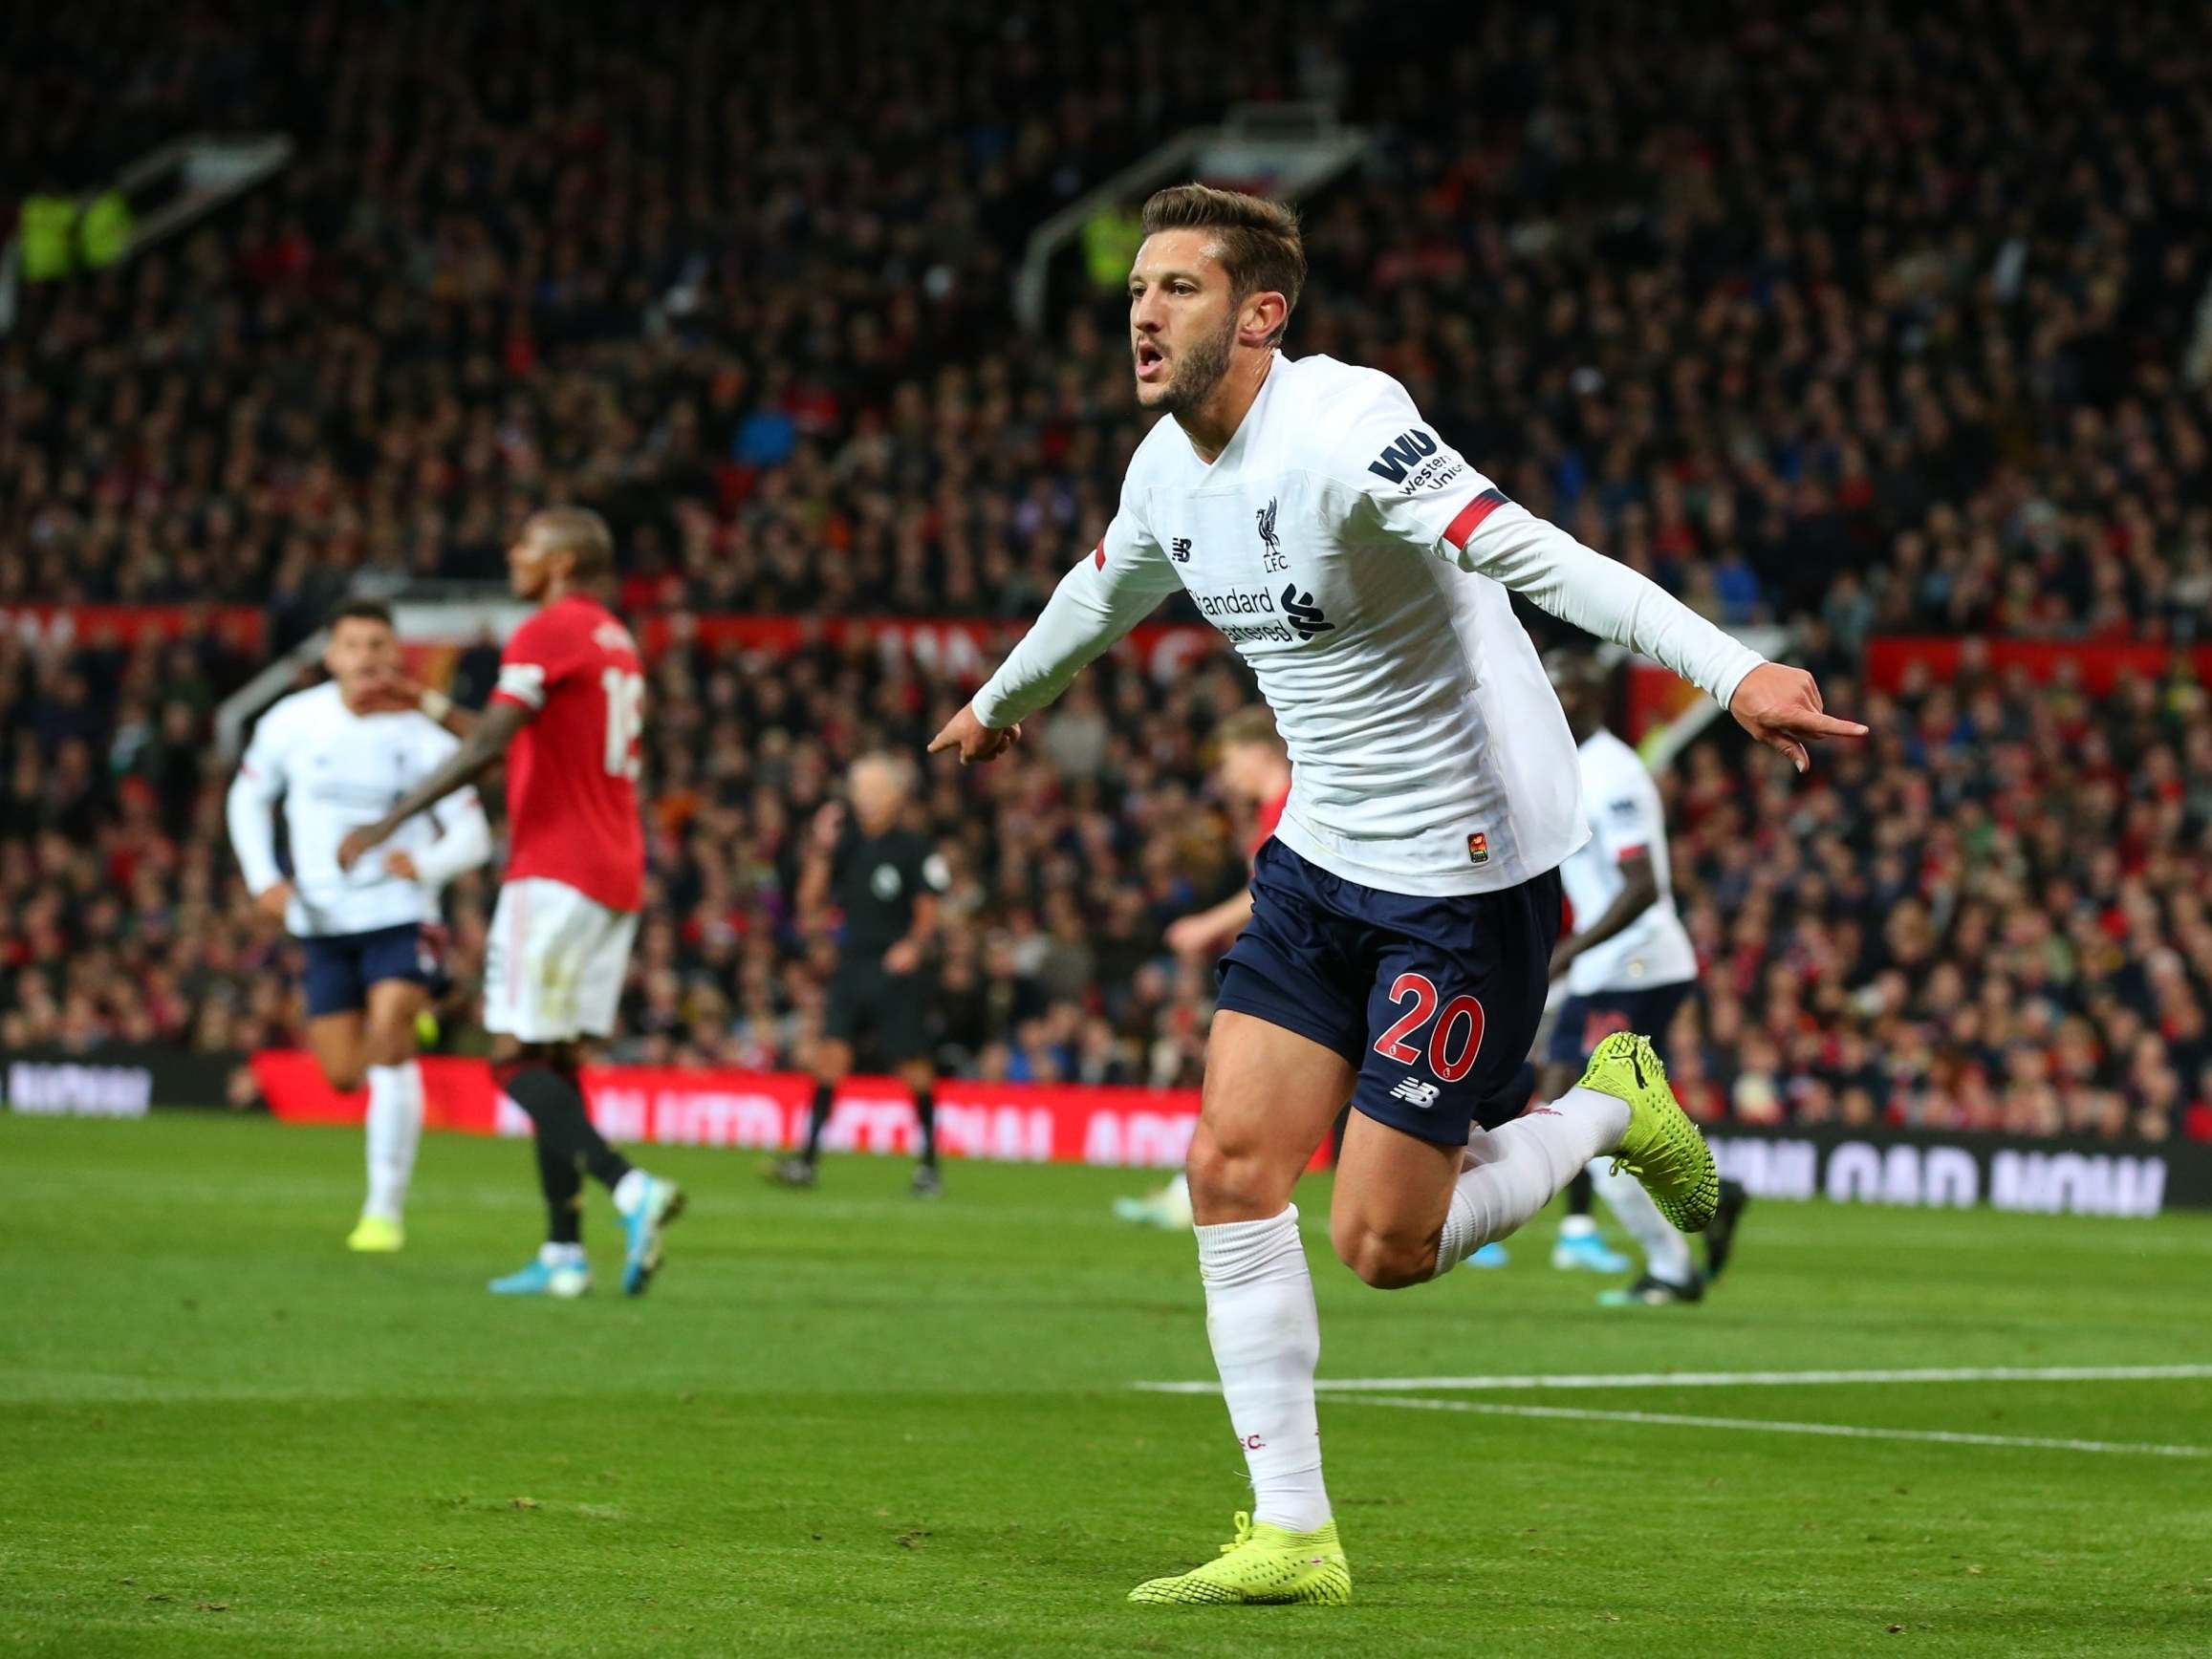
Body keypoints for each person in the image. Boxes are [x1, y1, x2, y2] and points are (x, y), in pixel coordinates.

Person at [929, 183, 1864, 1606]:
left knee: (1383, 1244)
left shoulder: (1349, 423)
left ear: (1259, 315)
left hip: (1467, 874)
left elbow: (1538, 552)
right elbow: (1102, 588)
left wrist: (1727, 670)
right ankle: (1291, 1533)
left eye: (1176, 288)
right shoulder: (1163, 472)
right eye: (1134, 290)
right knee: (1226, 1172)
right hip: (1318, 862)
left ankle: (1614, 1103)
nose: (1139, 311)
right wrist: (1000, 702)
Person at [337, 508, 683, 1299]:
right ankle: (564, 1255)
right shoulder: (610, 637)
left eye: (525, 545)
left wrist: (385, 824)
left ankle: (632, 1190)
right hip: (613, 867)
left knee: (514, 1060)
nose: (511, 554)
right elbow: (525, 739)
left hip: (553, 869)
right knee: (557, 1059)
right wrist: (421, 704)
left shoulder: (544, 629)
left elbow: (491, 744)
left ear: (560, 560)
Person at [227, 599, 491, 1253]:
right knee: (344, 1074)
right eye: (354, 645)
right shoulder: (293, 721)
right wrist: (265, 880)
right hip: (322, 919)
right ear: (332, 655)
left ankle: (383, 1213)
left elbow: (474, 834)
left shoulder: (423, 737)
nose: (368, 657)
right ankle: (407, 1019)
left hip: (399, 915)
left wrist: (426, 862)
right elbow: (248, 796)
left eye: (379, 644)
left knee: (392, 1028)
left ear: (396, 654)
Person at [1542, 651, 1748, 1304]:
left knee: (1595, 1125)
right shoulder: (1570, 765)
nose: (1550, 705)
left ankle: (1674, 1262)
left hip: (1635, 964)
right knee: (1579, 1109)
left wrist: (1570, 949)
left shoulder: (1613, 775)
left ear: (1590, 699)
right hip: (1611, 968)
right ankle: (1703, 1211)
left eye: (1562, 693)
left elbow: (1642, 887)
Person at [1117, 706, 1290, 1229]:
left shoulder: (1289, 808)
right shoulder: (1271, 812)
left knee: (1235, 1076)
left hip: (1301, 974)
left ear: (1261, 751)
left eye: (1232, 758)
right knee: (1235, 1080)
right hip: (1287, 968)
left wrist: (1204, 925)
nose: (1226, 773)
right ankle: (1189, 1192)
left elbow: (1273, 890)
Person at [771, 752, 950, 1196]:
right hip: (853, 964)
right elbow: (808, 904)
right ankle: (807, 1159)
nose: (865, 799)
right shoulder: (845, 846)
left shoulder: (914, 848)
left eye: (874, 790)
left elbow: (928, 909)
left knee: (912, 1064)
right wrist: (820, 847)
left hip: (894, 968)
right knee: (830, 1058)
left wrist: (913, 946)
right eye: (859, 791)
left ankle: (929, 1162)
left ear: (895, 796)